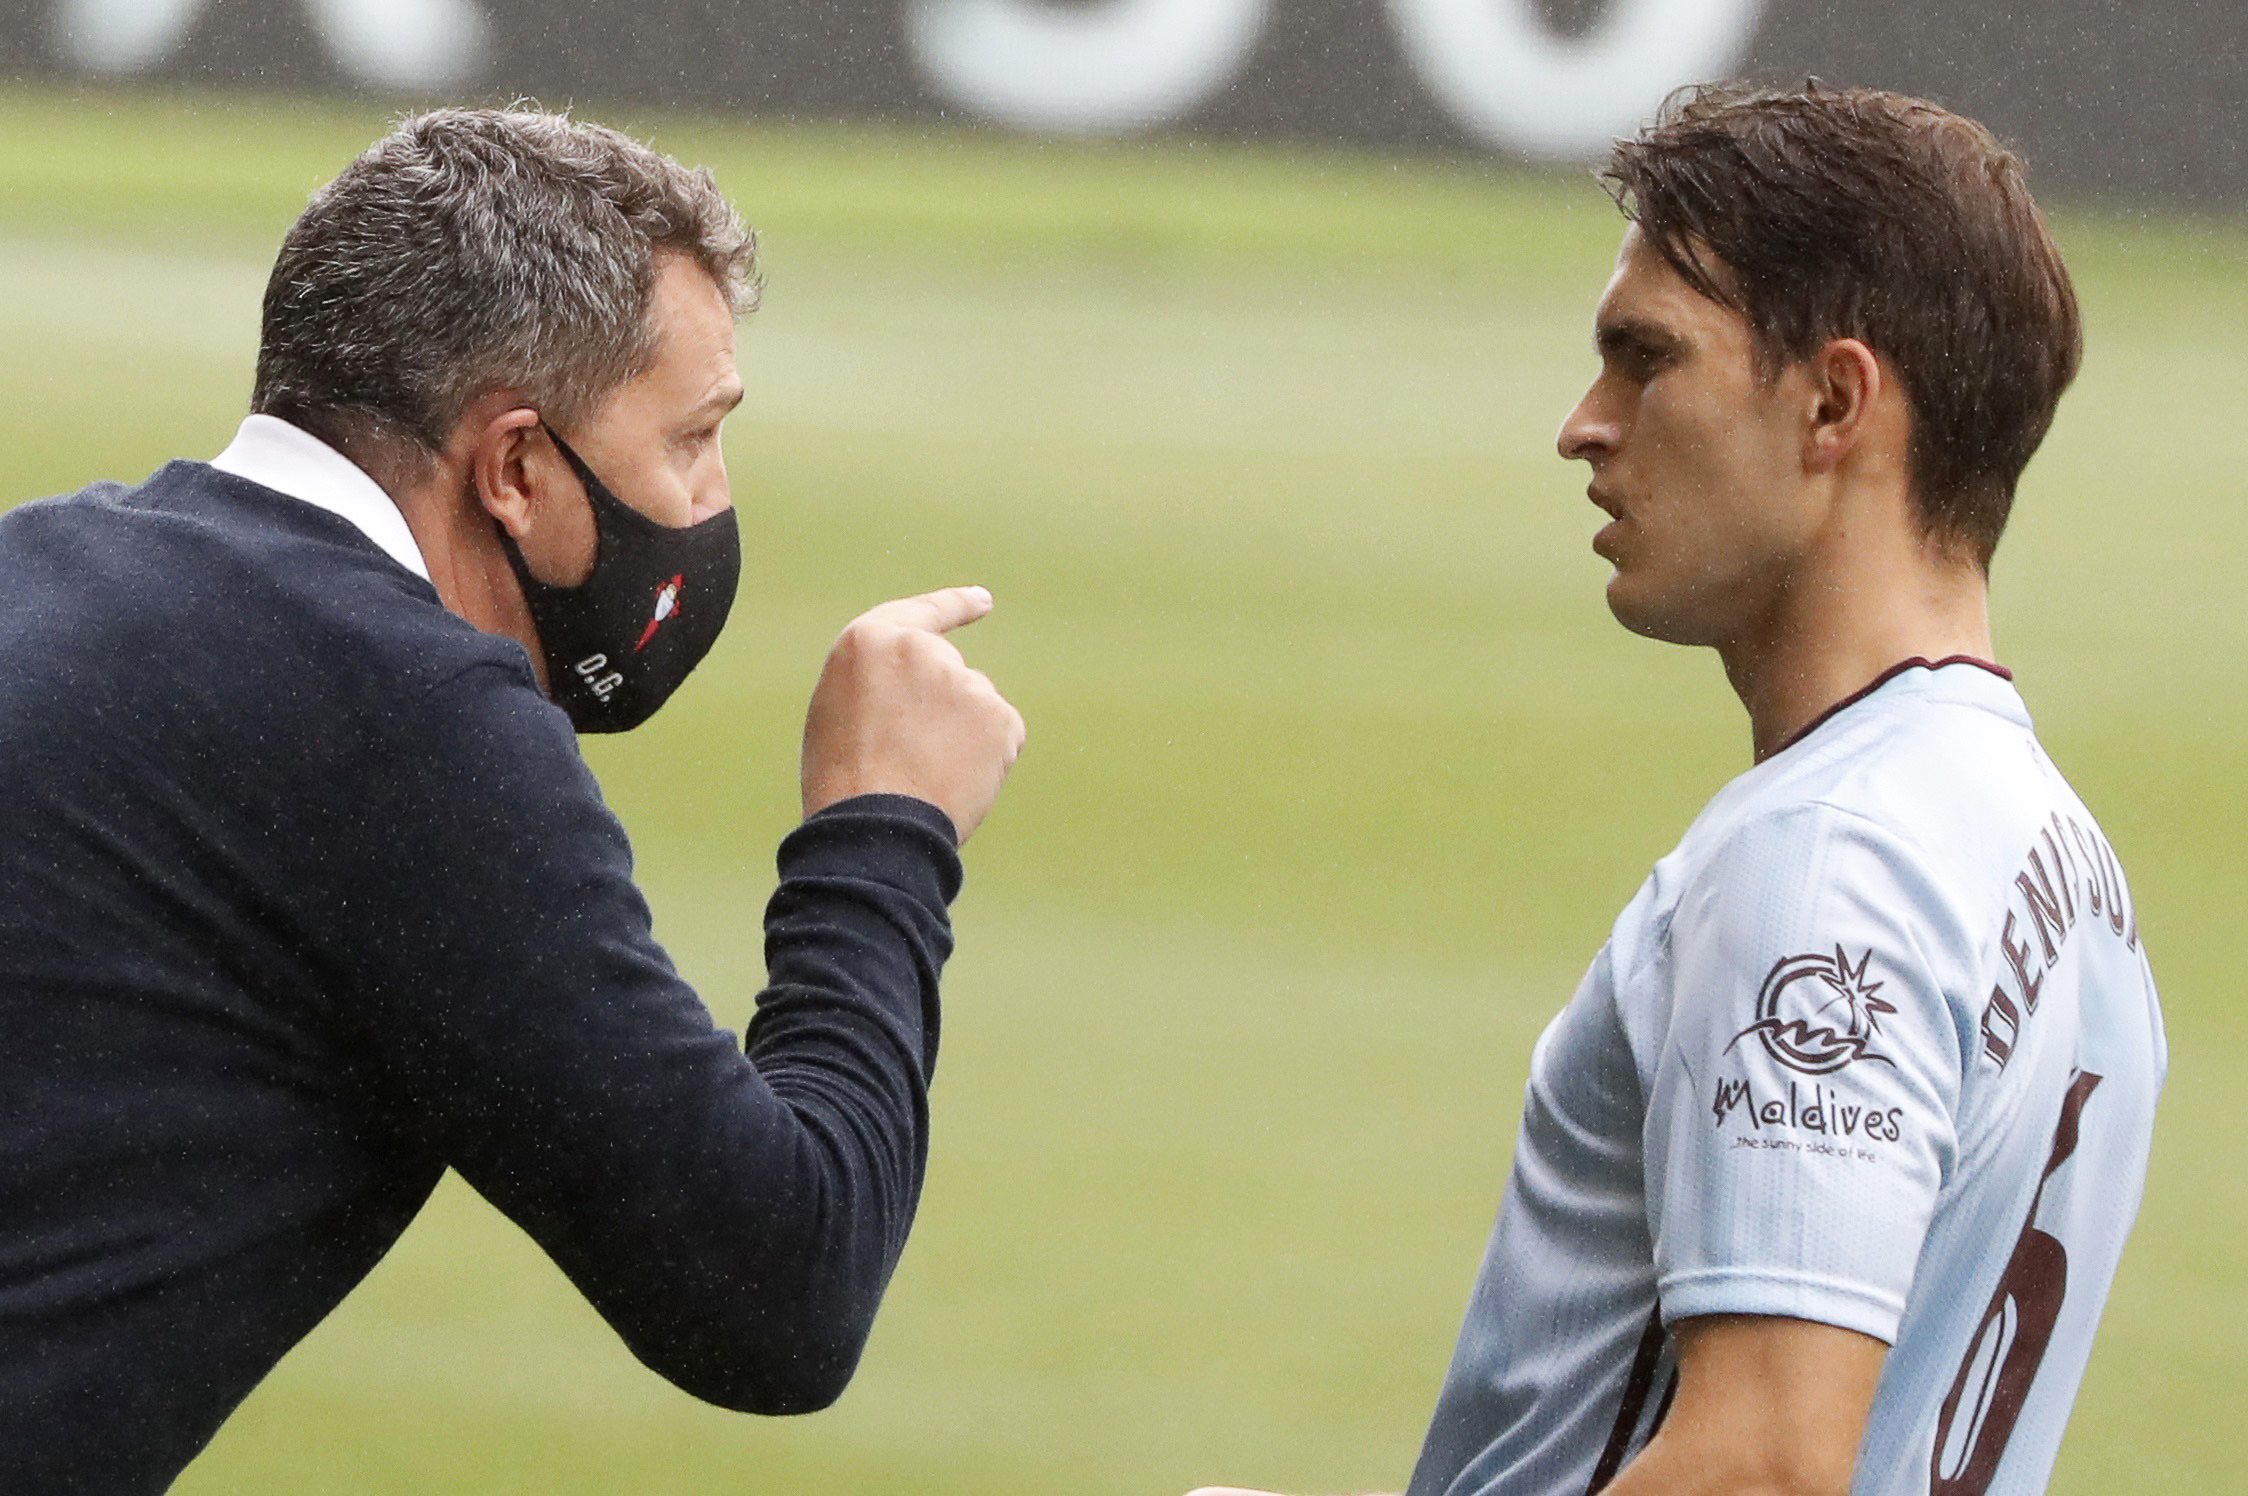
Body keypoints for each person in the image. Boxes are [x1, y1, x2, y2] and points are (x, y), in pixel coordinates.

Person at [0, 109, 1025, 1492]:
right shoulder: (400, 716)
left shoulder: (36, 563)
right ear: (519, 468)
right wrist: (882, 836)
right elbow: (776, 1293)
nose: (715, 502)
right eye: (696, 440)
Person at [1190, 82, 2164, 1496]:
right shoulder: (2063, 861)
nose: (1584, 426)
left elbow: (1763, 1465)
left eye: (1647, 359)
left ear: (1834, 401)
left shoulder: (1830, 856)